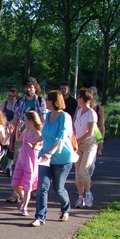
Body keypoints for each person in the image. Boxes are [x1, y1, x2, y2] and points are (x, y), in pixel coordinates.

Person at [31, 90, 77, 227]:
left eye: (47, 100)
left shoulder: (65, 117)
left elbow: (62, 137)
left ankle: (65, 209)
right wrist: (37, 140)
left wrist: (50, 152)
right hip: (45, 158)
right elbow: (46, 133)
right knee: (42, 187)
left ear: (53, 102)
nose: (45, 101)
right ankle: (40, 217)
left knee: (58, 188)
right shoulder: (48, 115)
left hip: (62, 158)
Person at [7, 78, 47, 203]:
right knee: (18, 162)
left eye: (31, 87)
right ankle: (16, 193)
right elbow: (14, 120)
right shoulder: (19, 101)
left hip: (35, 136)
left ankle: (32, 188)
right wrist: (11, 139)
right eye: (26, 86)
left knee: (33, 164)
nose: (28, 89)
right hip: (22, 135)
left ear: (35, 87)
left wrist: (42, 137)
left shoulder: (40, 101)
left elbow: (43, 120)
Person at [10, 110, 43, 216]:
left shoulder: (37, 133)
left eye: (26, 119)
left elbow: (42, 147)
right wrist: (18, 129)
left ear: (31, 121)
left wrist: (34, 146)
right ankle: (23, 197)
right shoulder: (26, 130)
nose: (24, 121)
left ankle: (25, 207)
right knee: (15, 184)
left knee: (27, 186)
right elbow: (18, 138)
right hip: (22, 160)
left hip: (31, 162)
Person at [73, 88, 98, 208]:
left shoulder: (91, 113)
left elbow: (90, 132)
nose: (77, 99)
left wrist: (77, 141)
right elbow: (76, 129)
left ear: (83, 99)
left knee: (84, 171)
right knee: (78, 174)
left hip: (89, 145)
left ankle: (88, 194)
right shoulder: (78, 112)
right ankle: (80, 196)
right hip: (78, 146)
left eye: (79, 97)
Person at [0, 87, 20, 174]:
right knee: (2, 145)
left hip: (14, 128)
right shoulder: (4, 104)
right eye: (9, 96)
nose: (10, 98)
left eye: (12, 96)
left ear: (16, 96)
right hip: (4, 127)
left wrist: (13, 123)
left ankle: (9, 166)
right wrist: (5, 122)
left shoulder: (18, 105)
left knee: (12, 146)